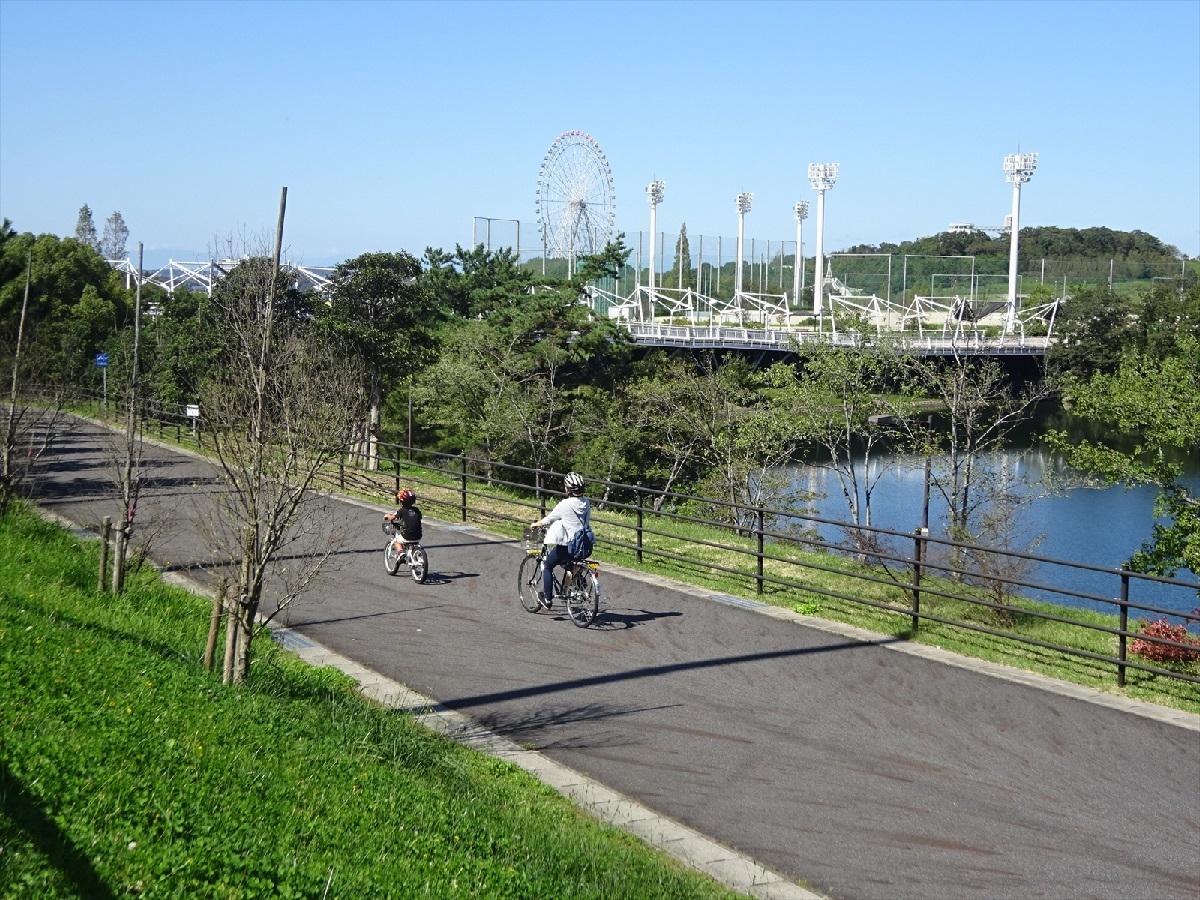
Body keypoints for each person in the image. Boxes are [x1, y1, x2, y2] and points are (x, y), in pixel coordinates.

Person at [530, 472, 591, 607]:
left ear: (568, 489)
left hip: (568, 545)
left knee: (548, 565)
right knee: (567, 562)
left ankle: (547, 599)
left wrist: (535, 524)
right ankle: (576, 581)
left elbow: (548, 519)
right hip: (584, 545)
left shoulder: (565, 504)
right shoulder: (586, 502)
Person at [384, 488, 422, 554]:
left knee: (396, 540)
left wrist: (386, 516)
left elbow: (392, 517)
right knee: (409, 539)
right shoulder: (417, 510)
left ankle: (401, 553)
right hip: (418, 536)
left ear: (401, 501)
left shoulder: (402, 510)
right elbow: (416, 518)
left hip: (407, 535)